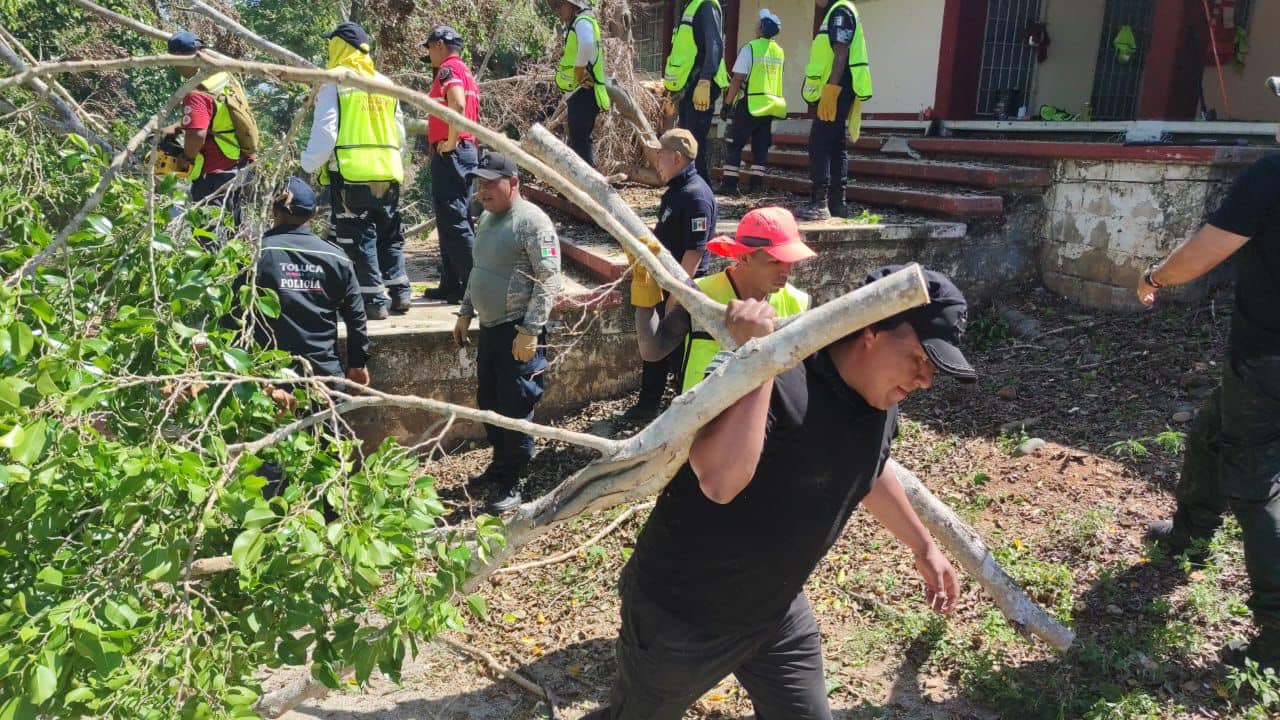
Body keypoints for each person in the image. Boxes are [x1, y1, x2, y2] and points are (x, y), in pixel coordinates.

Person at [586, 266, 973, 719]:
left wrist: (923, 545)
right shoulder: (778, 374)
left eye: (935, 369)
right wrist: (758, 359)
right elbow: (719, 480)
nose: (926, 379)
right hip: (683, 615)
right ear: (872, 329)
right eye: (921, 359)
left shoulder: (881, 398)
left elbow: (869, 465)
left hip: (775, 612)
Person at [1138, 149, 1280, 672]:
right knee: (1210, 432)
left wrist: (1153, 278)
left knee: (1256, 484)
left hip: (1267, 361)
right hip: (1262, 366)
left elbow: (1201, 255)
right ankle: (1191, 531)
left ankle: (1276, 637)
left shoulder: (1272, 174)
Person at [451, 153, 562, 513]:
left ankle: (513, 480)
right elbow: (478, 269)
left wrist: (530, 330)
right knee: (490, 402)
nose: (482, 190)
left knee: (515, 406)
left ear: (513, 183)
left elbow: (549, 279)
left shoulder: (533, 222)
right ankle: (499, 466)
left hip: (517, 330)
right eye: (479, 183)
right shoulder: (486, 219)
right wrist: (465, 313)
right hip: (489, 329)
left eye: (490, 183)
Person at [639, 206, 815, 396]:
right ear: (745, 257)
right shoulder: (700, 294)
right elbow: (653, 350)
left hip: (765, 419)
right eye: (775, 262)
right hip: (700, 416)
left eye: (790, 262)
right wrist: (643, 294)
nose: (786, 271)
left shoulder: (799, 303)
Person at [300, 22, 410, 321]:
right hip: (388, 172)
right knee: (389, 234)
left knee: (360, 239)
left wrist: (306, 164)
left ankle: (373, 302)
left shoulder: (335, 82)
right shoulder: (385, 83)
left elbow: (326, 134)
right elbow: (399, 135)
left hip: (351, 175)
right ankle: (400, 292)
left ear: (339, 47)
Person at [620, 130, 713, 423]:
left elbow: (694, 254)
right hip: (665, 283)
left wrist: (676, 297)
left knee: (673, 350)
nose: (656, 159)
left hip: (682, 287)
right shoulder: (676, 190)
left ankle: (677, 409)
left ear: (677, 157)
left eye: (660, 154)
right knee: (655, 345)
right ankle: (648, 405)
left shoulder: (696, 195)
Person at [241, 176, 370, 388]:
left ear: (274, 211)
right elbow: (356, 317)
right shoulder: (337, 257)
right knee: (328, 422)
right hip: (324, 377)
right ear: (314, 214)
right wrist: (357, 363)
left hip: (268, 378)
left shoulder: (255, 256)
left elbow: (234, 316)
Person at [167, 30, 256, 234]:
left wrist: (186, 159)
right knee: (233, 227)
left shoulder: (197, 92)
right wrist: (177, 127)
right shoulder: (222, 77)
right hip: (237, 162)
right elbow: (217, 115)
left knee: (210, 233)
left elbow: (197, 134)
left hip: (213, 172)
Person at [421, 26, 482, 305]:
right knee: (451, 219)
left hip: (453, 152)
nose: (429, 54)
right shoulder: (466, 72)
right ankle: (452, 283)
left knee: (455, 221)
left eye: (430, 48)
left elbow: (456, 105)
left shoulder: (448, 70)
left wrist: (450, 140)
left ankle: (473, 288)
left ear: (440, 45)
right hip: (465, 151)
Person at [798, 0, 874, 222]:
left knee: (819, 143)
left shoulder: (840, 11)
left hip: (837, 89)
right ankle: (836, 204)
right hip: (840, 87)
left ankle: (820, 203)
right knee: (835, 144)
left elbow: (841, 53)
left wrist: (831, 90)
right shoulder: (837, 10)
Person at [718, 9, 787, 196]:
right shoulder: (779, 52)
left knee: (734, 144)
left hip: (750, 104)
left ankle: (730, 185)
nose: (755, 26)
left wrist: (727, 103)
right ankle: (756, 186)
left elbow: (737, 78)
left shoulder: (750, 48)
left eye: (758, 24)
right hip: (770, 105)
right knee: (761, 147)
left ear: (762, 28)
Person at [663, 0, 729, 180]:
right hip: (688, 85)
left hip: (700, 85)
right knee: (685, 141)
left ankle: (699, 189)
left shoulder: (706, 5)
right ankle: (685, 186)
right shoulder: (689, 7)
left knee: (693, 142)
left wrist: (705, 80)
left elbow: (714, 45)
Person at [552, 0, 611, 168]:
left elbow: (586, 43)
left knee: (581, 142)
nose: (559, 10)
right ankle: (583, 186)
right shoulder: (579, 22)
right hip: (580, 93)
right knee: (579, 141)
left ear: (572, 5)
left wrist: (579, 69)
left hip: (584, 92)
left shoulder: (583, 20)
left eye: (561, 6)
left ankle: (589, 187)